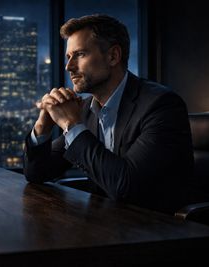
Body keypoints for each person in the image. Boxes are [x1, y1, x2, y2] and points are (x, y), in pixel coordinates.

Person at [23, 14, 194, 214]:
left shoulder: (161, 105)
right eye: (69, 57)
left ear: (113, 56)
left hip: (158, 232)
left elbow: (127, 186)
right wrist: (43, 125)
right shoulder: (86, 109)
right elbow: (36, 173)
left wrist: (71, 124)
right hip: (107, 224)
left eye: (80, 54)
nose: (69, 67)